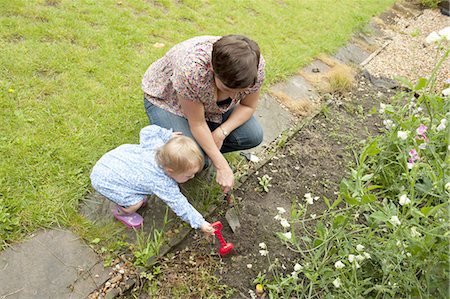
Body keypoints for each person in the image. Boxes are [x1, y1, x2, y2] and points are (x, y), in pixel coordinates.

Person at [142, 35, 265, 194]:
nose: (235, 97)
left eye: (241, 91)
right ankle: (189, 154)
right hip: (169, 101)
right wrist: (221, 164)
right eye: (227, 89)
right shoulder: (191, 70)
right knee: (193, 159)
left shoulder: (254, 67)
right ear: (213, 70)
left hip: (208, 107)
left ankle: (204, 150)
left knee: (253, 135)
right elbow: (198, 123)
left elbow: (248, 105)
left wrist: (221, 133)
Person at [90, 125, 215, 236]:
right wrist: (201, 223)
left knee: (136, 188)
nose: (192, 177)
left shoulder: (158, 147)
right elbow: (180, 205)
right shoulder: (161, 182)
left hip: (113, 160)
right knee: (136, 203)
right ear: (170, 171)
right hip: (104, 180)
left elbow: (147, 131)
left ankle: (130, 195)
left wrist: (167, 135)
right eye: (188, 176)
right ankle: (123, 212)